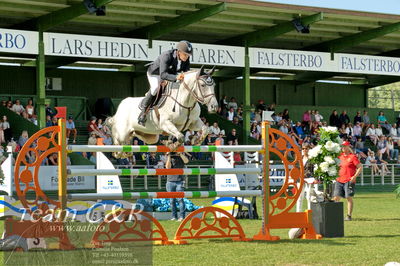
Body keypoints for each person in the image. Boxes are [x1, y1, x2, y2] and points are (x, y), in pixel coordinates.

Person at [138, 40, 193, 126]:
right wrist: (176, 77)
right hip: (155, 74)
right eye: (185, 54)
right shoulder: (166, 55)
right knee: (155, 88)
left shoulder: (186, 59)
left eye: (188, 55)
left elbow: (186, 71)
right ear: (179, 52)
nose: (187, 57)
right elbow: (163, 75)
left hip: (170, 74)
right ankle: (143, 112)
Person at [333, 141, 362, 221]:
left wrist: (354, 177)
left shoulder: (353, 157)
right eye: (342, 146)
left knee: (348, 197)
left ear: (348, 147)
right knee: (336, 197)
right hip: (339, 180)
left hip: (349, 180)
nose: (343, 148)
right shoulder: (340, 156)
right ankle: (335, 215)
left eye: (344, 146)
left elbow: (360, 167)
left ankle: (349, 215)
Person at [165, 152, 189, 221]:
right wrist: (169, 156)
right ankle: (173, 216)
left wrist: (180, 154)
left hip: (179, 180)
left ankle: (182, 217)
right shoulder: (169, 157)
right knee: (172, 200)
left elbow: (186, 161)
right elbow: (167, 167)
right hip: (170, 181)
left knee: (180, 199)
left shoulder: (181, 156)